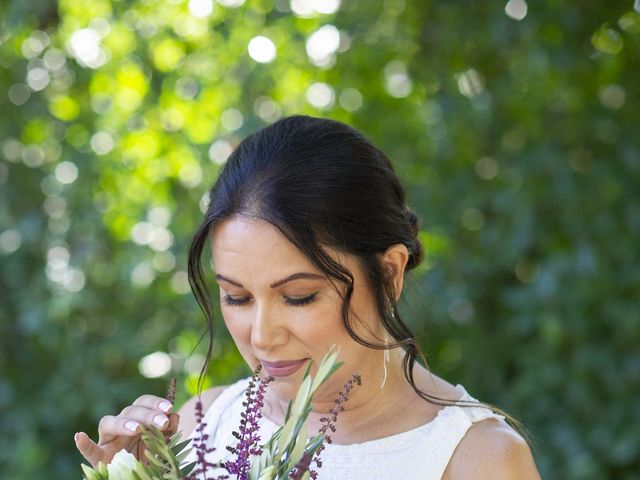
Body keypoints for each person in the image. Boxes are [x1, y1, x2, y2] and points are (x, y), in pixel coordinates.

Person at [75, 115, 541, 479]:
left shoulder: (480, 462)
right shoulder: (199, 425)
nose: (262, 336)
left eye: (298, 297)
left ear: (389, 272)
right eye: (236, 297)